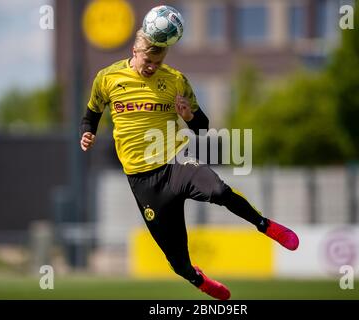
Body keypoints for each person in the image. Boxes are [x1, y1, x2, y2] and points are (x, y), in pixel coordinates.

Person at [80, 28, 299, 300]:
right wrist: (88, 132)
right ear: (134, 52)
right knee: (177, 262)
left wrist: (189, 115)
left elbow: (203, 128)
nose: (152, 67)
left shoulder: (175, 81)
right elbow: (92, 113)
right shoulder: (107, 78)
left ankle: (265, 225)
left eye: (158, 63)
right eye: (148, 62)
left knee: (220, 191)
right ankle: (197, 278)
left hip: (175, 164)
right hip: (143, 181)